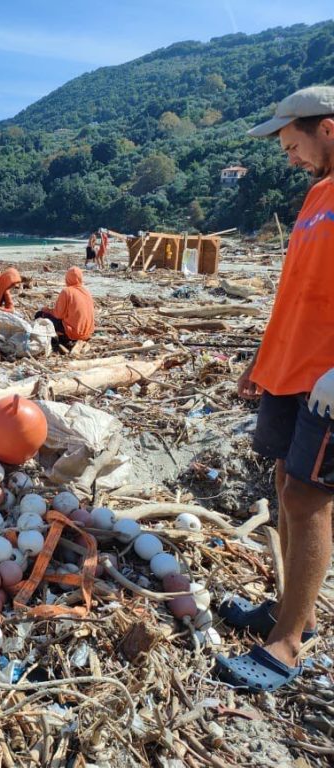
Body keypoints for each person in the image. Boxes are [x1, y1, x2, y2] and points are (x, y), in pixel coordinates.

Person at [214, 85, 334, 693]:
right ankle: (297, 610)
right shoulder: (317, 196)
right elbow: (297, 289)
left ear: (329, 128)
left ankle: (288, 645)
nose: (289, 156)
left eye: (293, 143)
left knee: (310, 497)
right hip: (291, 368)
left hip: (329, 378)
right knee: (287, 482)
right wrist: (262, 359)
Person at [35, 267, 95, 350]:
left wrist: (46, 310)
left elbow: (58, 315)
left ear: (67, 278)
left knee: (39, 315)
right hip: (87, 334)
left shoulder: (67, 291)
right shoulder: (86, 291)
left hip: (73, 333)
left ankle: (55, 340)